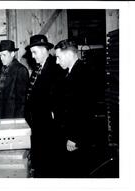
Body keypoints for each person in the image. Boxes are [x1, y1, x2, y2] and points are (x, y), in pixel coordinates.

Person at [24, 34, 66, 177]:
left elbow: (59, 99)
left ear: (44, 50)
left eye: (34, 52)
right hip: (37, 125)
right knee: (40, 164)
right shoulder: (38, 68)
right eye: (31, 53)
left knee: (50, 166)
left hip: (49, 128)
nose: (32, 56)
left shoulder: (56, 68)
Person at [54, 39, 96, 177]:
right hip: (69, 134)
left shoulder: (83, 73)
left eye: (58, 57)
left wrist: (74, 137)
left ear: (69, 54)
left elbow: (84, 109)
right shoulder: (70, 72)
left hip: (76, 138)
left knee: (77, 172)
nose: (57, 62)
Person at [0, 40, 29, 119]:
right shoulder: (3, 70)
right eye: (0, 55)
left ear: (12, 54)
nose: (1, 58)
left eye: (4, 55)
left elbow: (21, 102)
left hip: (11, 117)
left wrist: (18, 123)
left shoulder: (20, 70)